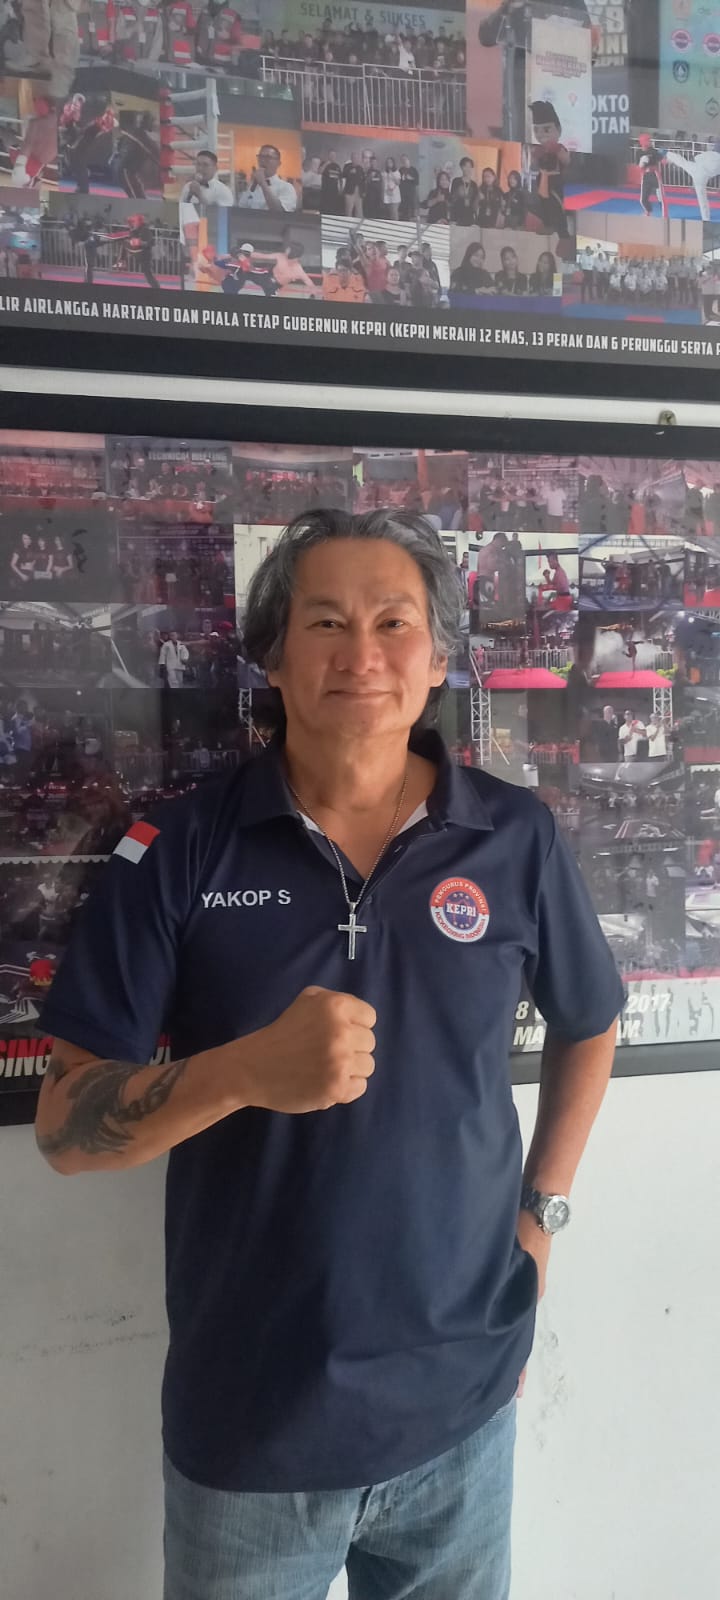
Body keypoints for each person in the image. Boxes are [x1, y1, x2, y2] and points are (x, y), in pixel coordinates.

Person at [37, 507, 623, 1600]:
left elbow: (591, 1022)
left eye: (394, 622)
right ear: (272, 655)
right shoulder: (177, 846)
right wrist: (242, 1071)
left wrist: (544, 1217)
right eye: (324, 622)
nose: (362, 654)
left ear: (439, 658)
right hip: (252, 1433)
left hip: (463, 1411)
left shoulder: (515, 836)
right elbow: (66, 1129)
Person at [478, 0, 590, 141]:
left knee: (567, 136)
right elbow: (485, 36)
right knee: (524, 133)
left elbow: (585, 25)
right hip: (525, 81)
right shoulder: (519, 3)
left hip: (563, 79)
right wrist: (506, 8)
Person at [664, 140, 720, 223]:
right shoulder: (713, 156)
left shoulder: (709, 154)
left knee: (682, 162)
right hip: (703, 175)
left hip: (696, 169)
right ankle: (706, 218)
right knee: (702, 198)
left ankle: (668, 154)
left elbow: (695, 158)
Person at [236, 143, 298, 212]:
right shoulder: (252, 186)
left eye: (268, 157)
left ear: (278, 163)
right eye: (260, 157)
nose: (262, 160)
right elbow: (241, 209)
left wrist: (263, 183)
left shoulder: (287, 187)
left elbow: (280, 212)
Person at [450, 155, 478, 225]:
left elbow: (475, 203)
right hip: (457, 216)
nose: (468, 169)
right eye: (465, 166)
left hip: (469, 217)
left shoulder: (474, 184)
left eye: (470, 166)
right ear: (461, 167)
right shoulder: (456, 181)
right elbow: (452, 199)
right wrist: (458, 193)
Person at [319, 150, 344, 214]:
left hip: (334, 191)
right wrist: (326, 164)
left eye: (334, 155)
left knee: (333, 208)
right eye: (331, 155)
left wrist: (341, 189)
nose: (332, 156)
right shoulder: (324, 163)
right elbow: (320, 172)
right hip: (325, 190)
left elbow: (340, 179)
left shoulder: (337, 166)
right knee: (325, 208)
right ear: (328, 156)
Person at [342, 150, 364, 217]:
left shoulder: (360, 168)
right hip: (349, 192)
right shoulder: (347, 166)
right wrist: (350, 171)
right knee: (348, 211)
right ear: (351, 158)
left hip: (358, 193)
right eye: (354, 158)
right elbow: (343, 175)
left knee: (359, 212)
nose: (355, 159)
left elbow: (363, 181)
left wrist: (363, 191)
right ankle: (348, 223)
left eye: (357, 158)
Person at [398, 153, 419, 220]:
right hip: (402, 193)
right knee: (404, 211)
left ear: (408, 159)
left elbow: (417, 182)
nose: (404, 161)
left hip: (411, 193)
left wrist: (411, 178)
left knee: (412, 211)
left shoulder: (413, 170)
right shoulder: (400, 170)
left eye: (405, 159)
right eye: (402, 160)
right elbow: (398, 181)